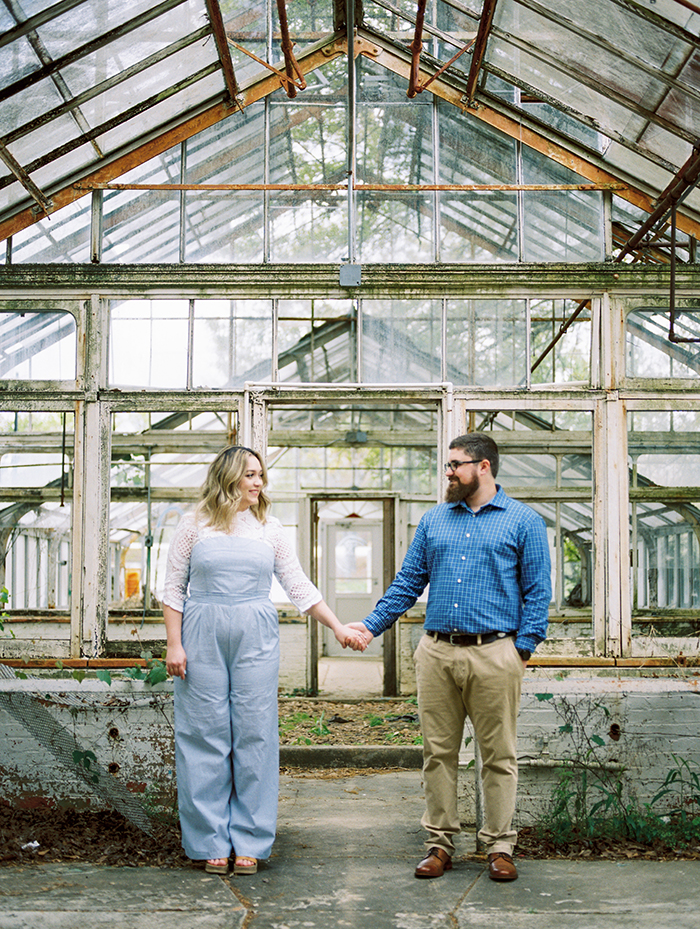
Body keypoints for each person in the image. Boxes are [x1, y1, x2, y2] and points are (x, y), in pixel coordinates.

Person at [349, 432, 551, 882]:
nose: (449, 472)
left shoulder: (523, 522)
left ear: (484, 467)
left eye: (457, 464)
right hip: (437, 651)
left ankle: (498, 846)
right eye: (448, 465)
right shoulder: (435, 520)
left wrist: (522, 650)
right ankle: (439, 844)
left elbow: (538, 592)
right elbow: (408, 582)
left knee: (498, 755)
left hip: (495, 652)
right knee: (438, 752)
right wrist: (369, 626)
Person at [163, 445, 366, 876]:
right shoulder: (193, 524)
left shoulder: (269, 528)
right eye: (250, 475)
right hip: (201, 631)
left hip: (254, 631)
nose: (258, 482)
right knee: (203, 732)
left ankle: (251, 840)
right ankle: (210, 840)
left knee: (255, 733)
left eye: (261, 475)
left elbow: (298, 585)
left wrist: (337, 627)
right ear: (228, 477)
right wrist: (174, 644)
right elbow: (173, 588)